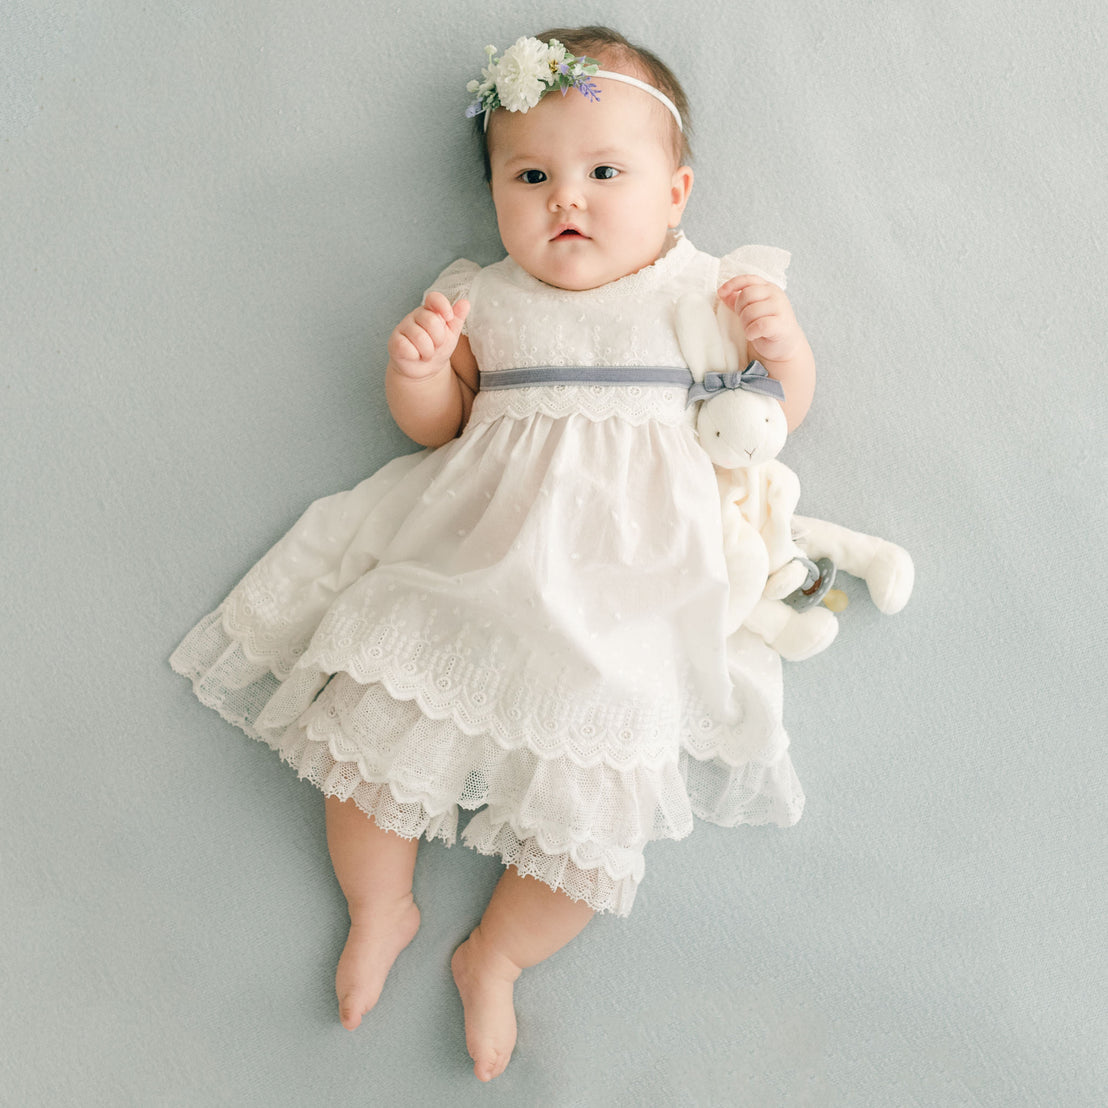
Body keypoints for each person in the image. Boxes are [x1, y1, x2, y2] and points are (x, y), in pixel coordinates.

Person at [170, 26, 816, 1082]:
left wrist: (782, 353)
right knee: (367, 743)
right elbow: (436, 427)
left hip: (620, 606)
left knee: (592, 813)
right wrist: (420, 370)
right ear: (496, 194)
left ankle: (498, 956)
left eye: (606, 172)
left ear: (675, 192)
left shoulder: (703, 295)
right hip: (469, 571)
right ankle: (380, 904)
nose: (567, 198)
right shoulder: (484, 296)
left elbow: (767, 419)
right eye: (531, 175)